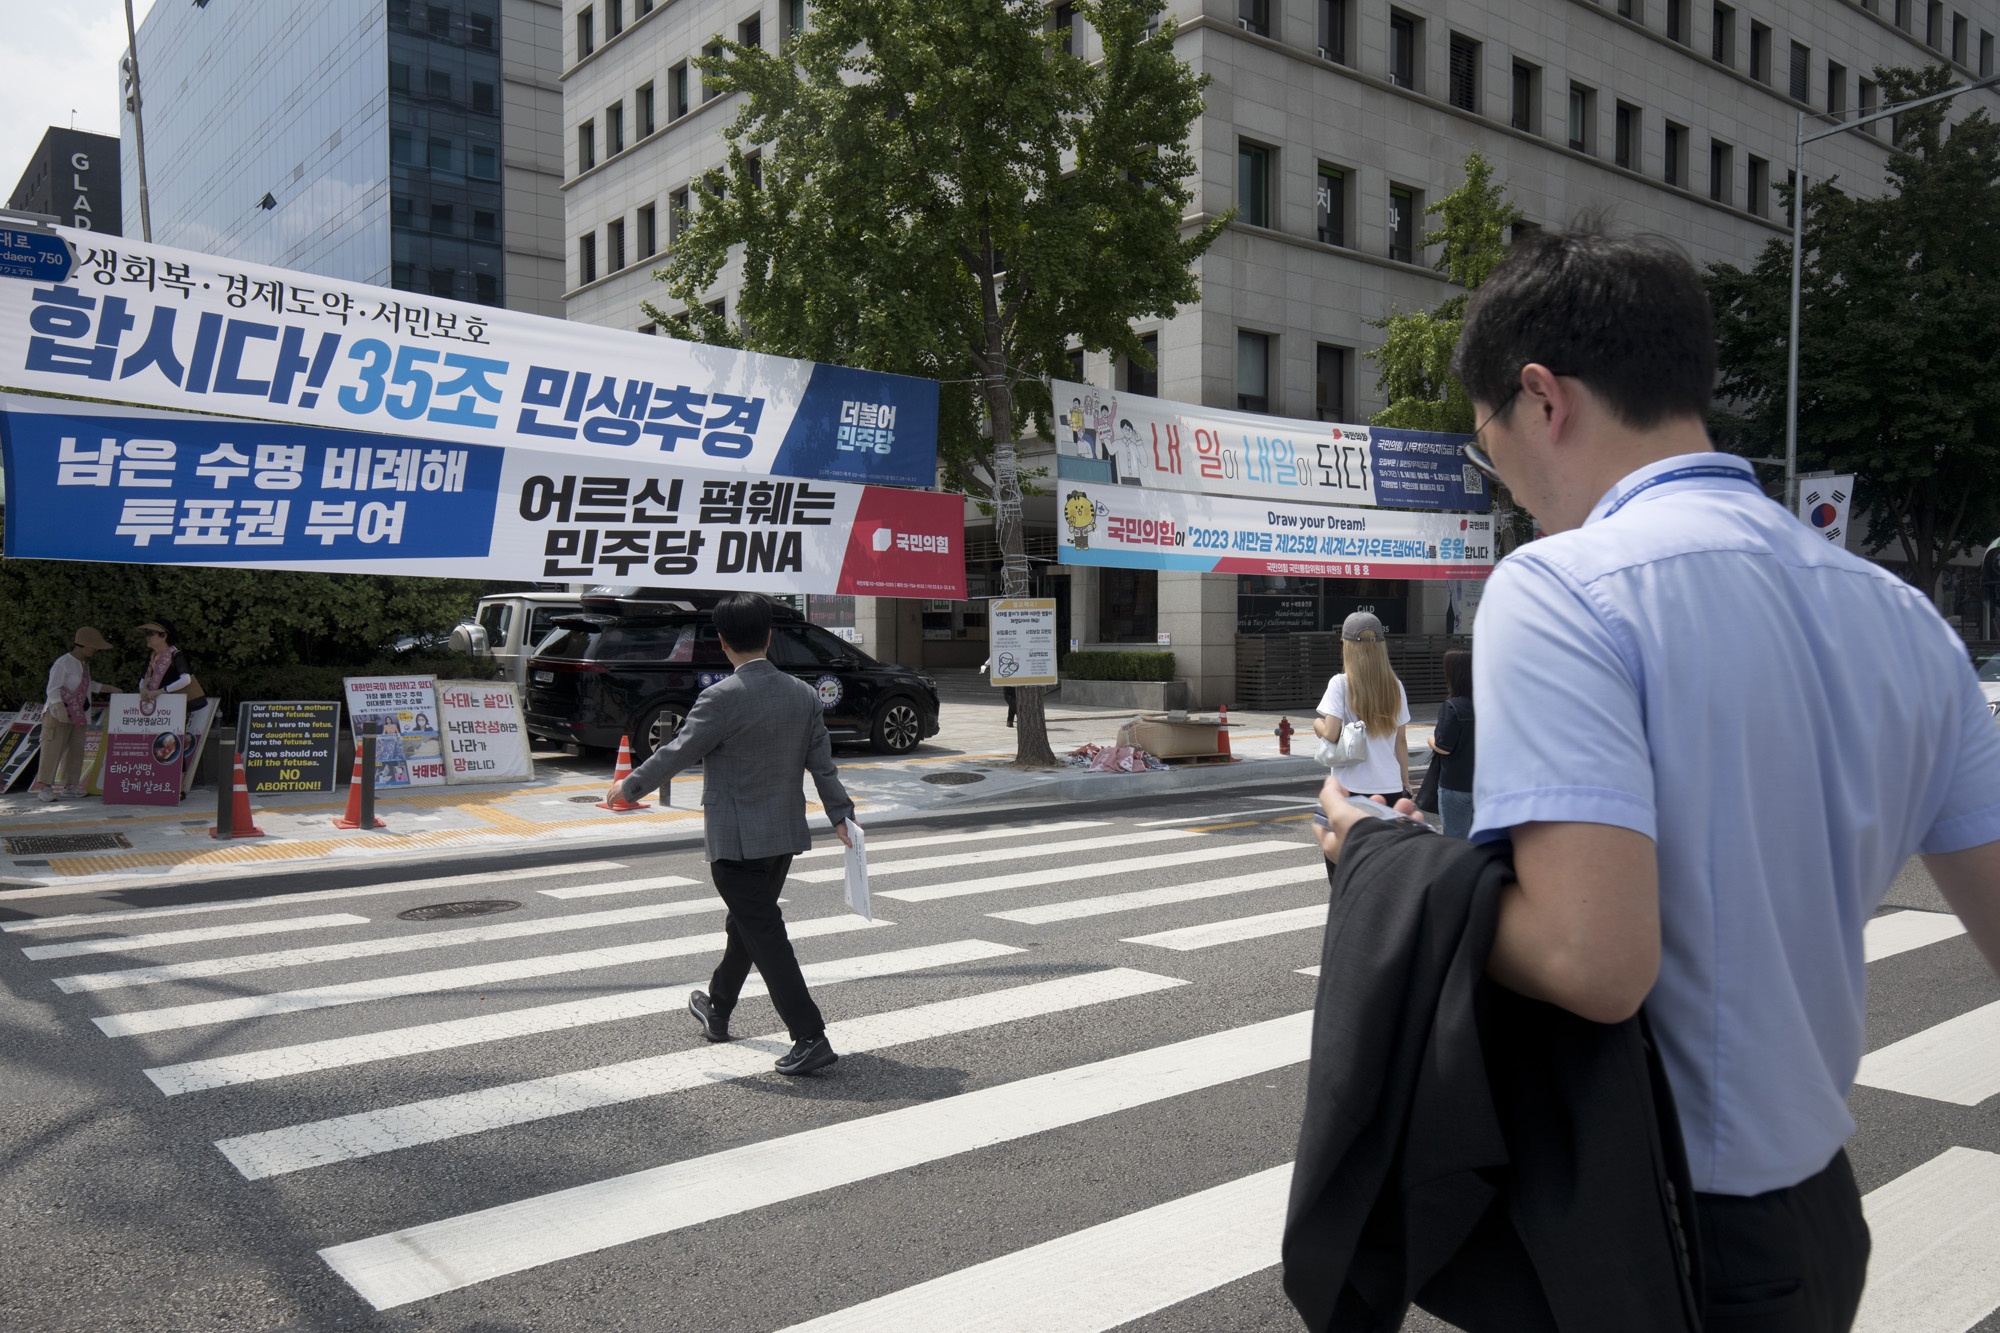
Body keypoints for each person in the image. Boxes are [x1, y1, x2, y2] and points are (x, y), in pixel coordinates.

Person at [1313, 228, 2000, 1332]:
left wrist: (1379, 863)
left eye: (1488, 443)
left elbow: (1595, 961)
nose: (1506, 480)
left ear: (1542, 399)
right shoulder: (1902, 618)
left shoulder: (1560, 586)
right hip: (1817, 1214)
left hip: (1656, 1224)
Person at [614, 593, 858, 1077]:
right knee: (748, 923)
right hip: (782, 837)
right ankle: (718, 1007)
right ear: (769, 636)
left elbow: (677, 753)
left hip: (733, 840)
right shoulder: (803, 694)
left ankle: (810, 1035)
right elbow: (823, 766)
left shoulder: (720, 698)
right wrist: (841, 815)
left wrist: (628, 786)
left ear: (722, 642)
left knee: (763, 931)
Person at [1312, 611, 1410, 801]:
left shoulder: (1339, 683)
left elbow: (1331, 733)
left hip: (1350, 785)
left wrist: (1317, 723)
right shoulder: (1395, 685)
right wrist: (1404, 781)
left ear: (1347, 646)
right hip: (1390, 786)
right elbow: (1401, 741)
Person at [38, 628, 114, 801]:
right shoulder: (63, 663)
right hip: (58, 715)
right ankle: (45, 787)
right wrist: (60, 709)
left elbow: (88, 685)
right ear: (85, 645)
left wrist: (107, 688)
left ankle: (70, 785)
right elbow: (52, 689)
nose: (95, 650)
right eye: (94, 646)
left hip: (77, 715)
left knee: (76, 749)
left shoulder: (83, 664)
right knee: (52, 748)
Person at [1428, 648, 1476, 838]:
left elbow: (1443, 747)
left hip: (1455, 784)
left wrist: (1430, 739)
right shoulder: (1489, 703)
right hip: (1483, 783)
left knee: (1455, 839)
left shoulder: (1453, 707)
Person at [135, 621, 205, 713]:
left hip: (174, 709)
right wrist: (143, 689)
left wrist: (161, 691)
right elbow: (143, 679)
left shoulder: (175, 655)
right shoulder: (151, 658)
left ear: (164, 636)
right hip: (157, 708)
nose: (147, 637)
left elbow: (186, 679)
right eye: (146, 634)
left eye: (150, 634)